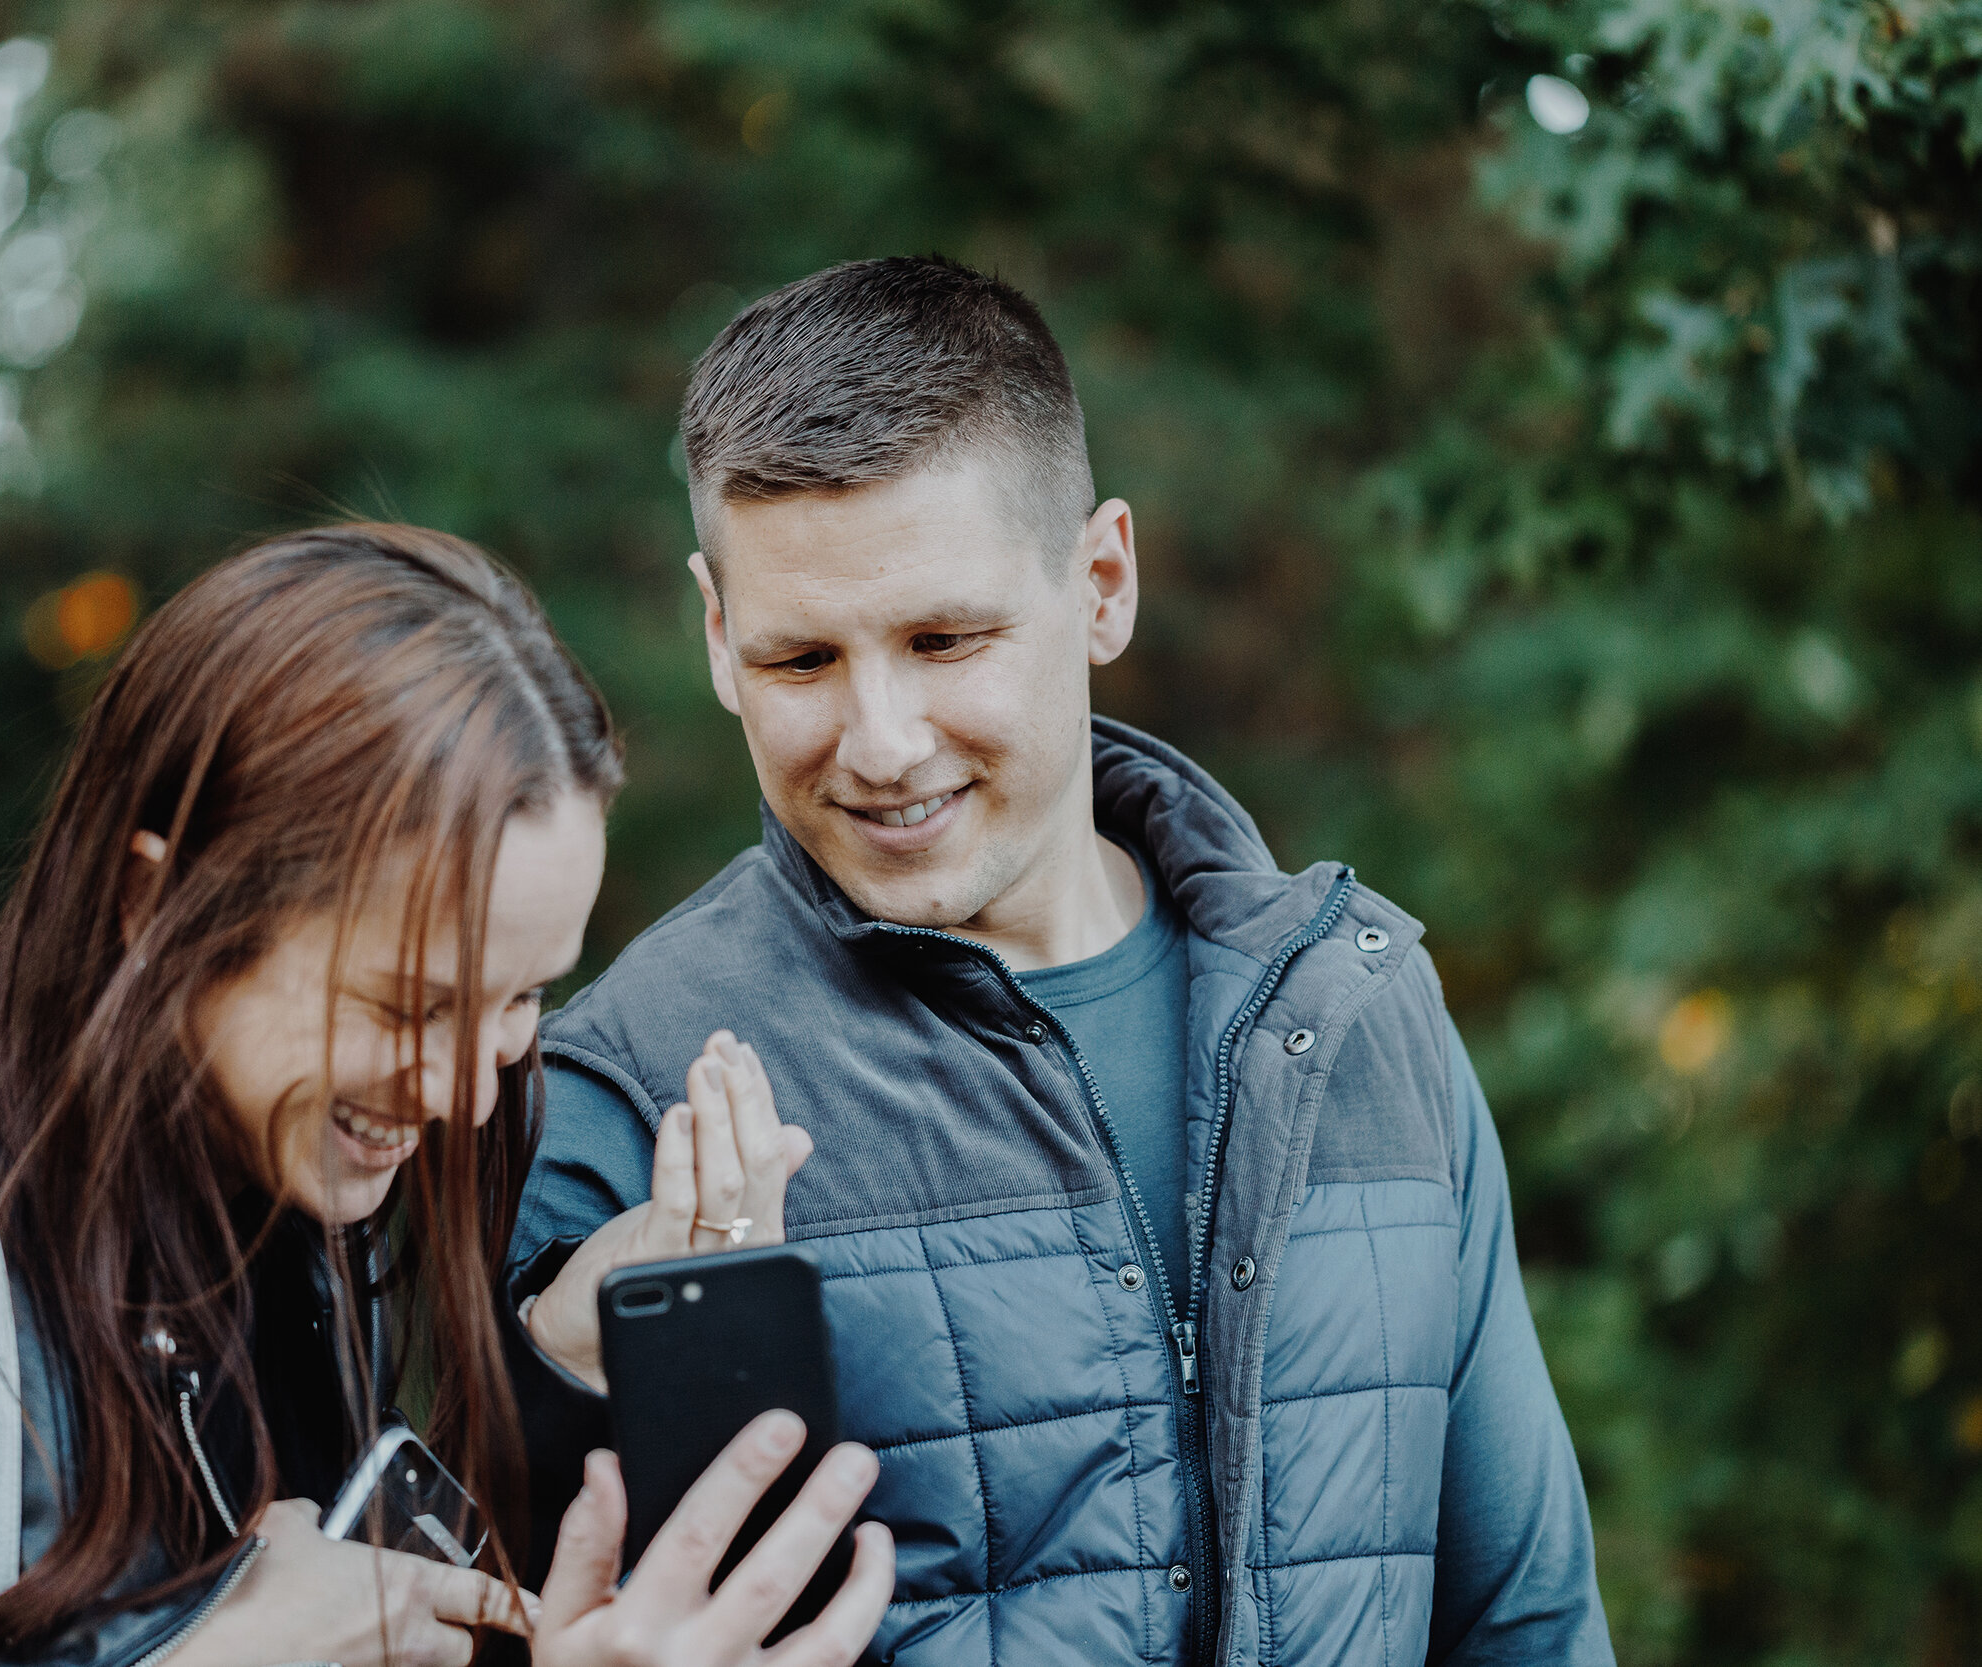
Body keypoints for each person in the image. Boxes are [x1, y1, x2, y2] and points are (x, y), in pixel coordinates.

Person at [0, 527, 894, 1667]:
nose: (470, 1094)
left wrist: (573, 1374)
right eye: (407, 1005)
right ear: (154, 901)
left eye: (524, 999)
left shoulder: (293, 1231)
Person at [506, 259, 1617, 1665]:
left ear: (1100, 582)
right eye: (802, 662)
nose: (883, 739)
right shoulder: (618, 1088)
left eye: (943, 639)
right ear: (720, 636)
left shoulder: (1352, 1008)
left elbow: (1525, 1621)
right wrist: (553, 1363)